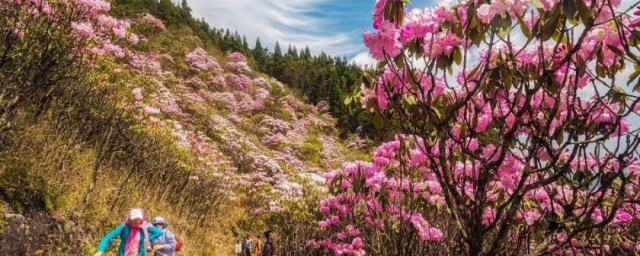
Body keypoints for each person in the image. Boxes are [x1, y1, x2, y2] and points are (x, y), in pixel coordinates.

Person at [94, 208, 163, 256]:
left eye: (138, 219)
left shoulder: (143, 227)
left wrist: (147, 239)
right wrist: (101, 250)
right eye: (134, 219)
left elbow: (159, 232)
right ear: (130, 219)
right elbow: (107, 237)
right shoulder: (124, 227)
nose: (136, 221)